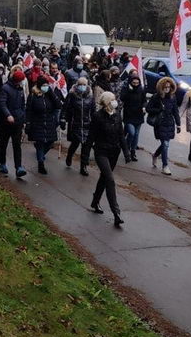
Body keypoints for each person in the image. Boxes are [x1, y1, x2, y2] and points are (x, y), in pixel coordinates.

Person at [89, 92, 128, 228]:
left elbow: (121, 135)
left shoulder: (117, 116)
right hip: (101, 151)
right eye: (111, 100)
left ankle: (95, 201)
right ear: (106, 102)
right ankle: (116, 213)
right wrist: (85, 157)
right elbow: (91, 136)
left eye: (114, 99)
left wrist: (126, 152)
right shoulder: (98, 116)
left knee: (104, 178)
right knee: (110, 180)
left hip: (114, 152)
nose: (114, 102)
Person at [146, 77, 181, 175]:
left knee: (165, 144)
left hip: (169, 123)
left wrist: (178, 124)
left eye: (169, 87)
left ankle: (155, 155)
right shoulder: (156, 97)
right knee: (165, 144)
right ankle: (165, 166)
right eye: (165, 87)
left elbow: (175, 111)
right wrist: (159, 109)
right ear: (161, 87)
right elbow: (148, 108)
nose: (167, 89)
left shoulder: (173, 97)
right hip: (160, 123)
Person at [26, 75, 59, 175]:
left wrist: (51, 93)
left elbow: (58, 105)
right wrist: (28, 123)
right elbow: (29, 110)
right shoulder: (33, 96)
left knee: (50, 142)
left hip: (49, 122)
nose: (46, 87)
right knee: (40, 143)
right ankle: (41, 163)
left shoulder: (49, 94)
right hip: (37, 122)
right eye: (44, 85)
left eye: (47, 85)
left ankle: (40, 155)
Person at [62, 77, 95, 176]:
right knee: (75, 143)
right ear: (77, 85)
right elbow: (65, 107)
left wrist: (95, 121)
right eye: (80, 85)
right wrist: (63, 118)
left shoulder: (90, 96)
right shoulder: (72, 95)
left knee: (86, 146)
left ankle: (83, 166)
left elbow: (93, 110)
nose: (82, 87)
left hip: (87, 124)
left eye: (84, 85)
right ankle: (69, 155)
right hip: (75, 123)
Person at [0, 70, 27, 178]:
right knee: (4, 143)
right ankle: (2, 163)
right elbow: (2, 104)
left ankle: (18, 167)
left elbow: (23, 104)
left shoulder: (20, 89)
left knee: (17, 145)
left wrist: (23, 118)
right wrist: (8, 115)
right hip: (6, 122)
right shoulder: (5, 88)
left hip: (18, 121)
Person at [120, 74, 147, 162]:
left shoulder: (141, 90)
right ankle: (126, 148)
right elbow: (122, 98)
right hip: (129, 115)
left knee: (136, 135)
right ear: (130, 82)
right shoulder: (126, 89)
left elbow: (144, 100)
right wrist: (129, 91)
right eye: (134, 83)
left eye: (137, 83)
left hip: (138, 115)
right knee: (131, 132)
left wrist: (144, 107)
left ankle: (133, 151)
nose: (135, 84)